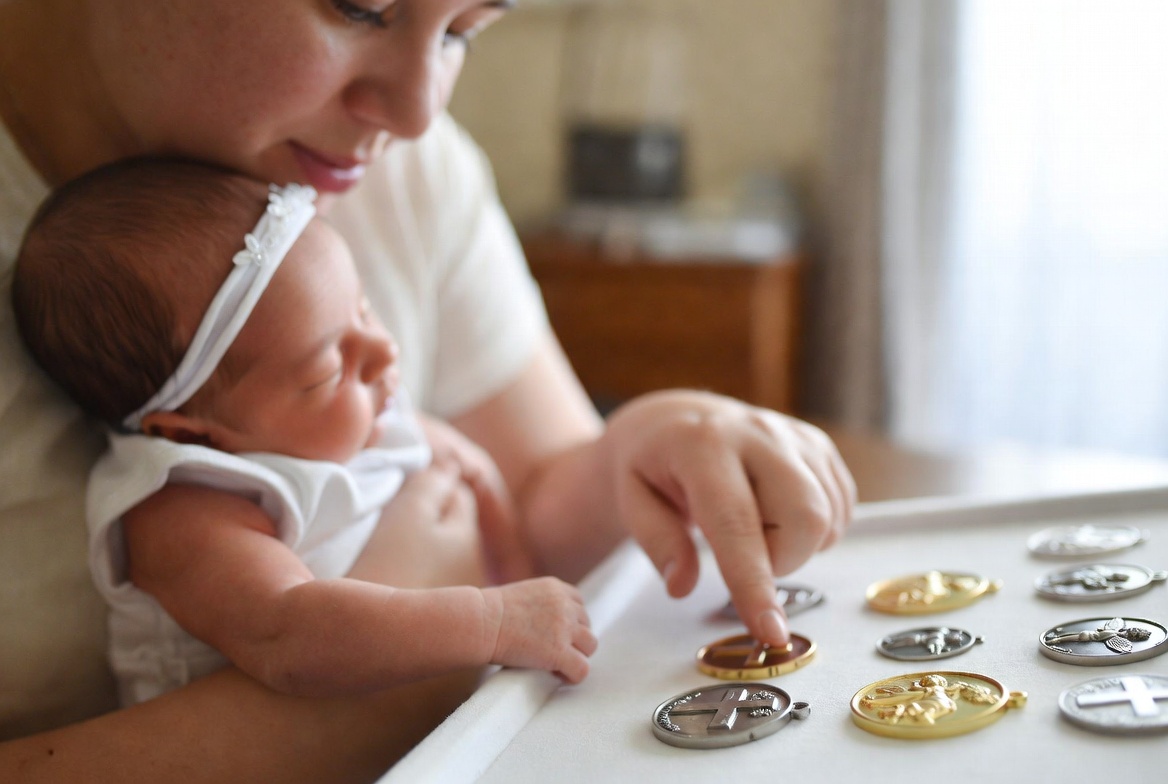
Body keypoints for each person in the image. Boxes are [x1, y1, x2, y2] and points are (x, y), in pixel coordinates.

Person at [0, 0, 856, 781]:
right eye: (359, 6)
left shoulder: (393, 166)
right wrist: (426, 649)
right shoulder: (187, 499)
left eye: (463, 30)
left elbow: (531, 499)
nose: (419, 112)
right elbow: (291, 625)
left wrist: (656, 440)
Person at [13, 157, 598, 706]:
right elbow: (289, 635)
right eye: (326, 370)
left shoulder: (366, 416)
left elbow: (471, 469)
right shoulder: (185, 508)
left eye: (363, 311)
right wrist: (492, 621)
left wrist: (519, 568)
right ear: (195, 435)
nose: (382, 349)